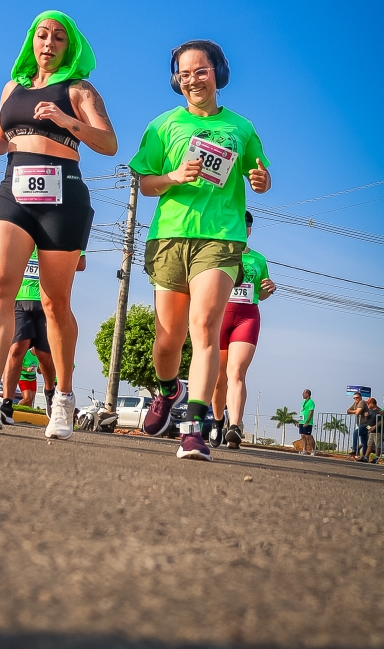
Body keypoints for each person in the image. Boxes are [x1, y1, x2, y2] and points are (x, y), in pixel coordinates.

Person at [0, 11, 116, 438]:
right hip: (14, 189)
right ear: (32, 41)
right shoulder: (12, 88)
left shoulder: (79, 90)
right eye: (42, 35)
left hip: (63, 196)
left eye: (59, 37)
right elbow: (3, 138)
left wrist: (67, 120)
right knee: (1, 288)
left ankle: (63, 397)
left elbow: (109, 143)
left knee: (54, 302)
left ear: (69, 47)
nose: (49, 43)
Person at [129, 38, 271, 461]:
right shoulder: (163, 125)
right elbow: (146, 183)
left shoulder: (241, 127)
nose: (193, 80)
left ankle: (194, 429)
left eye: (201, 71)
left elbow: (259, 174)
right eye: (184, 74)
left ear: (218, 74)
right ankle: (168, 390)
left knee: (204, 326)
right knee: (167, 340)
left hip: (221, 237)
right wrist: (173, 176)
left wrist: (261, 180)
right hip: (170, 237)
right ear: (177, 80)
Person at [209, 210, 276, 449]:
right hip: (220, 316)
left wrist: (268, 289)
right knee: (219, 378)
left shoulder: (259, 259)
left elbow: (261, 294)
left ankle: (235, 426)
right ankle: (218, 421)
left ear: (249, 229)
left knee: (236, 372)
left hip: (246, 317)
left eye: (246, 224)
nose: (243, 227)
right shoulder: (217, 252)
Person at [0, 250, 86, 424]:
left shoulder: (56, 239)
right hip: (21, 300)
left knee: (44, 357)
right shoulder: (26, 239)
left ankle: (49, 391)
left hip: (47, 302)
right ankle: (6, 404)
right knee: (16, 349)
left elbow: (80, 264)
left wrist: (53, 261)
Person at [347, 392, 369, 460]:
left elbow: (357, 413)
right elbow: (348, 411)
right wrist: (355, 411)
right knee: (364, 441)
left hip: (366, 424)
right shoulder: (355, 403)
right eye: (354, 398)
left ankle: (355, 450)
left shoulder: (362, 402)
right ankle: (365, 457)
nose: (355, 399)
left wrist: (354, 411)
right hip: (361, 424)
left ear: (360, 397)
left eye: (357, 397)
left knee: (356, 433)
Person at [361, 397, 380, 463]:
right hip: (371, 431)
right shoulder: (369, 411)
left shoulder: (379, 411)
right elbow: (367, 422)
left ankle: (377, 458)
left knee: (377, 445)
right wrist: (369, 428)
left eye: (368, 404)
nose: (367, 405)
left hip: (378, 431)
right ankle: (366, 457)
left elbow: (381, 421)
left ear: (372, 403)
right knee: (369, 444)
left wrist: (374, 427)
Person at [298, 389, 315, 455]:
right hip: (302, 422)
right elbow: (302, 412)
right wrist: (299, 421)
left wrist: (307, 422)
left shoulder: (311, 402)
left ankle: (313, 450)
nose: (302, 395)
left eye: (303, 393)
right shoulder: (303, 402)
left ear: (307, 394)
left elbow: (311, 412)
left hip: (308, 422)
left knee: (308, 436)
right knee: (302, 436)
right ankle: (304, 450)